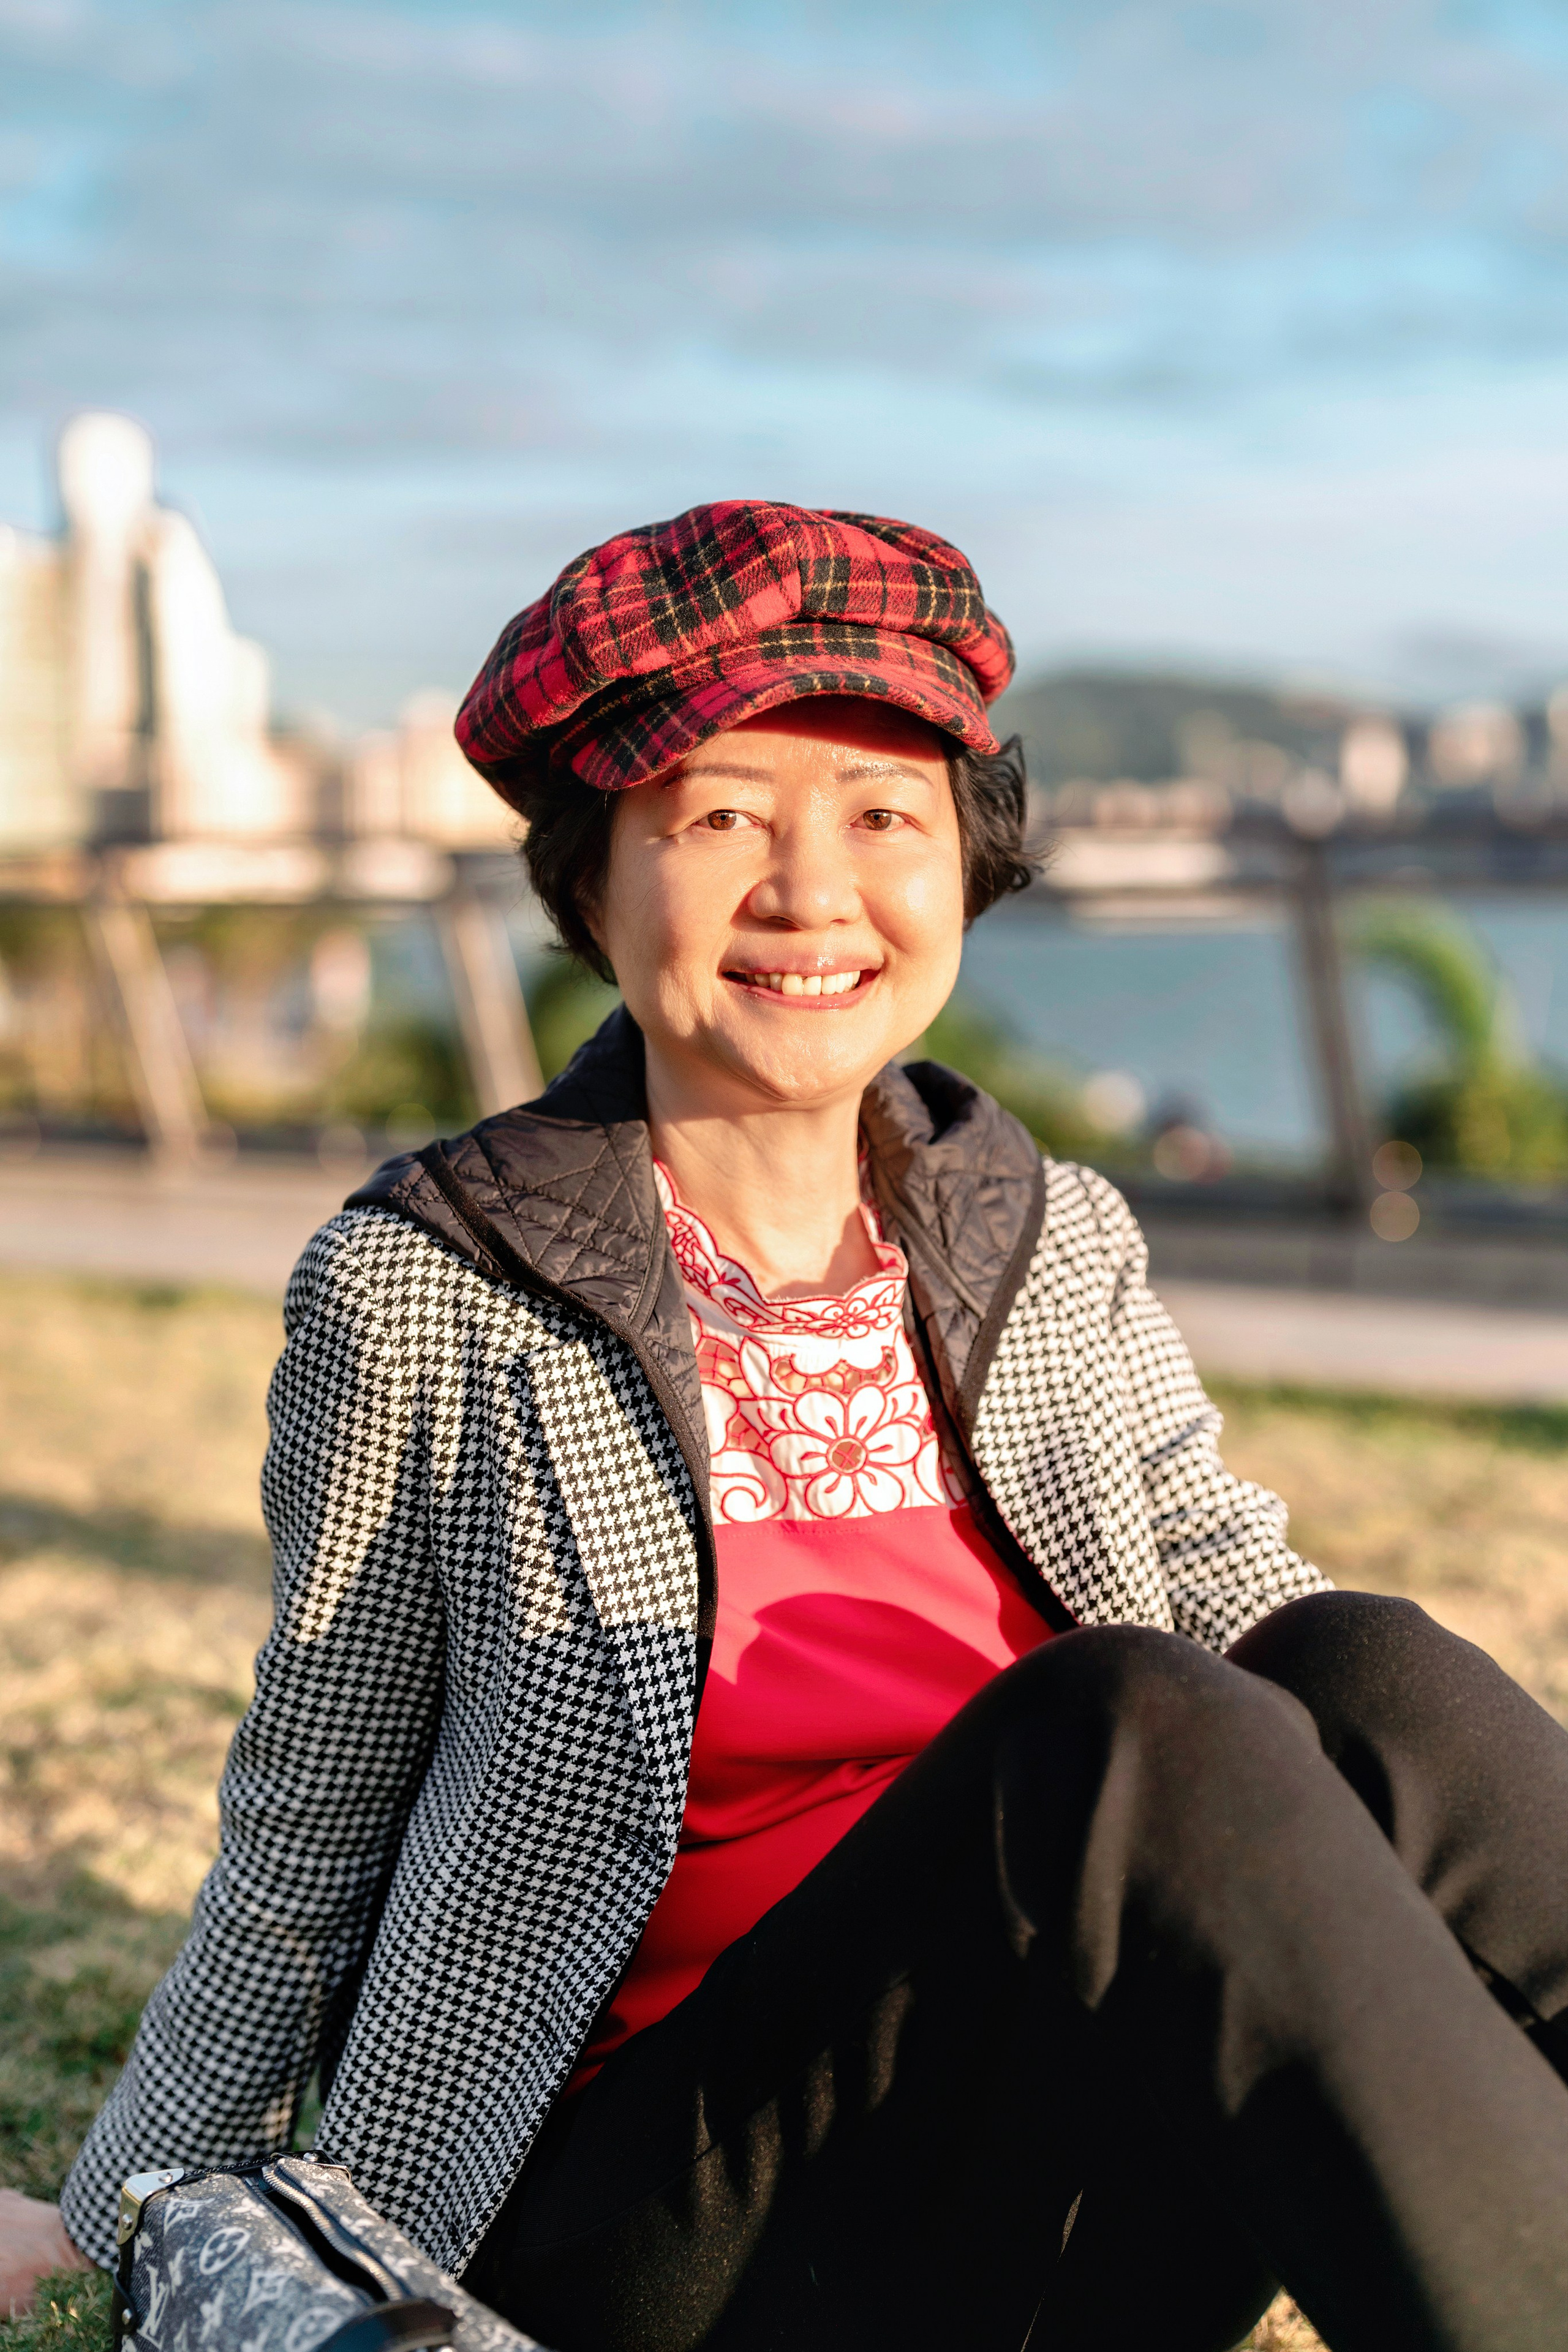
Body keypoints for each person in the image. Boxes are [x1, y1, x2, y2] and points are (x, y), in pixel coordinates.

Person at [8, 502, 1568, 2352]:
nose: (813, 891)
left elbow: (1258, 1624)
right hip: (661, 2224)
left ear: (964, 865)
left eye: (885, 816)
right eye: (725, 817)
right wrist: (113, 2220)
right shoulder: (430, 1287)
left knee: (1357, 1660)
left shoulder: (1051, 1235)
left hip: (1051, 2154)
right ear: (594, 884)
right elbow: (311, 1813)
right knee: (1125, 1726)